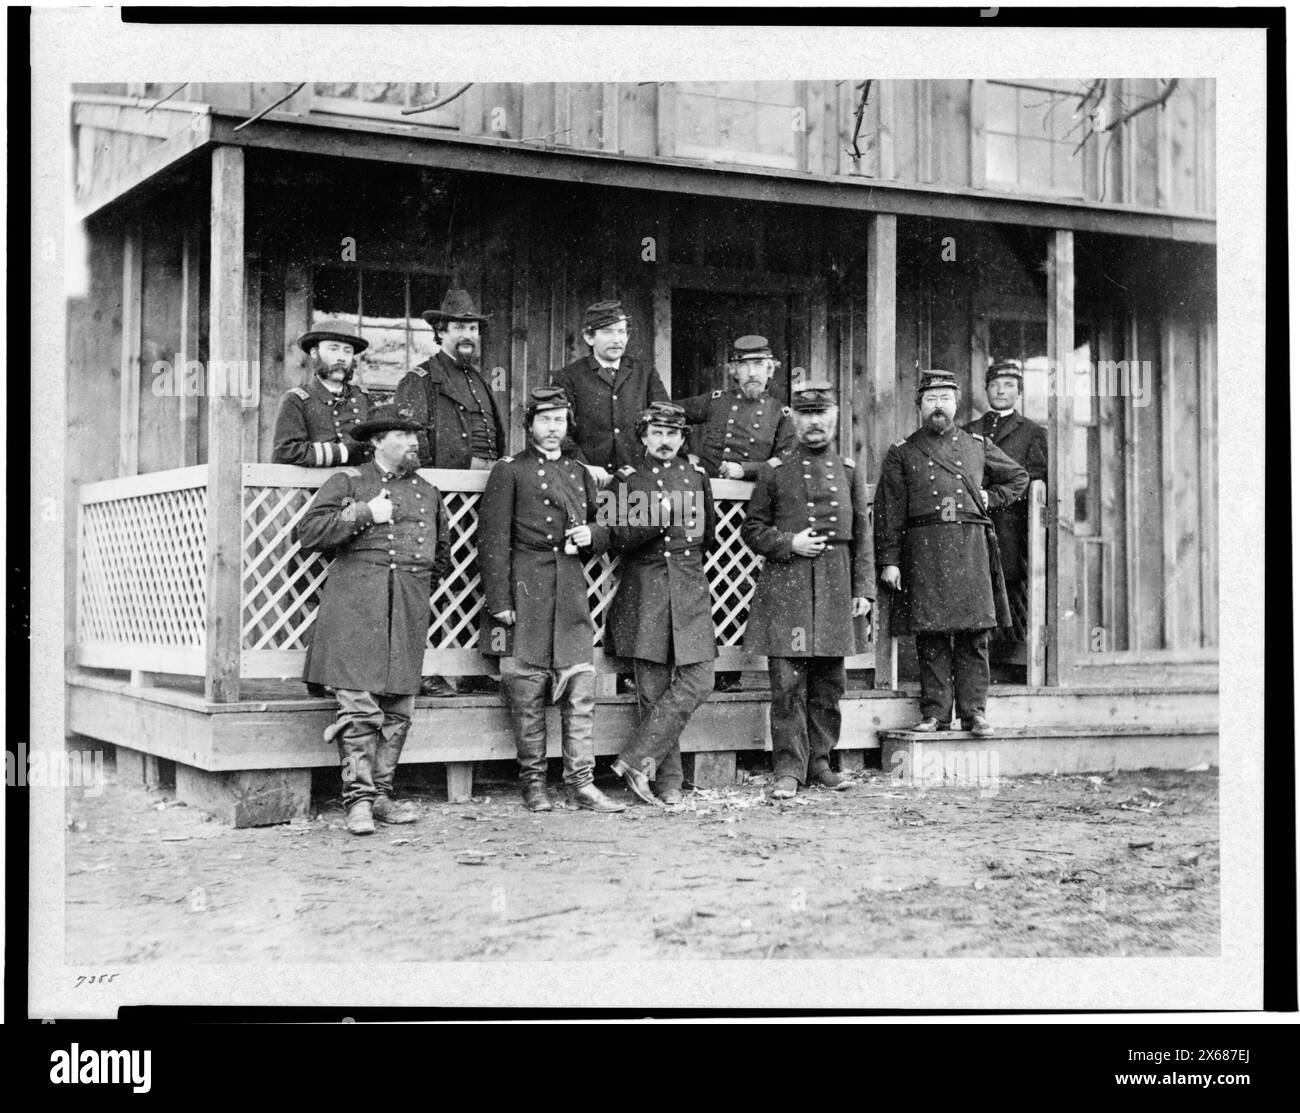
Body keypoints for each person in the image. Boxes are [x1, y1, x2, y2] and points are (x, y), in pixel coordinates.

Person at [295, 405, 451, 835]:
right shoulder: (349, 481)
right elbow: (308, 533)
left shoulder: (428, 490)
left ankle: (381, 795)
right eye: (403, 435)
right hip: (356, 606)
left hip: (407, 605)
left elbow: (441, 554)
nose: (414, 442)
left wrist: (414, 588)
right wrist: (364, 513)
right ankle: (358, 802)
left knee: (399, 706)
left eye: (415, 434)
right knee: (360, 708)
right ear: (378, 441)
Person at [477, 387, 626, 814]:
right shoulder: (510, 471)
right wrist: (500, 600)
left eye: (559, 420)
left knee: (580, 691)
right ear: (529, 426)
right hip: (527, 589)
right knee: (526, 693)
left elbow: (610, 521)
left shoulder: (580, 472)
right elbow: (493, 540)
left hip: (570, 591)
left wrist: (593, 536)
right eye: (545, 420)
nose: (552, 429)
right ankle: (534, 784)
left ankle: (581, 783)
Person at [874, 370, 1029, 738]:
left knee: (975, 634)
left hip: (970, 544)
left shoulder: (976, 445)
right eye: (931, 400)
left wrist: (992, 498)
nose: (938, 406)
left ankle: (974, 713)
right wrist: (890, 561)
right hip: (924, 547)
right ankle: (936, 714)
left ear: (956, 404)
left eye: (945, 399)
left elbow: (1018, 477)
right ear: (920, 407)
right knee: (932, 635)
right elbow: (889, 510)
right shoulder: (903, 452)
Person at [740, 377, 874, 799]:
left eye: (822, 413)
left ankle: (819, 763)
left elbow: (863, 536)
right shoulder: (774, 472)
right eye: (806, 414)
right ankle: (788, 770)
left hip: (835, 586)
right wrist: (788, 543)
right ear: (793, 418)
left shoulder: (849, 471)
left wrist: (863, 589)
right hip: (788, 587)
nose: (814, 422)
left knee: (830, 685)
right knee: (786, 685)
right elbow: (752, 529)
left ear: (834, 416)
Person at [604, 402, 717, 807]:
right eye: (657, 433)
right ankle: (668, 782)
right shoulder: (627, 479)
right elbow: (617, 536)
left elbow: (709, 536)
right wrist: (659, 516)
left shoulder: (696, 476)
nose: (665, 441)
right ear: (643, 436)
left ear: (683, 438)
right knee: (653, 691)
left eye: (673, 434)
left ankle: (634, 760)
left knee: (700, 679)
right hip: (646, 590)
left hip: (688, 589)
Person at [394, 288, 505, 697]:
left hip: (483, 497)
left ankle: (474, 666)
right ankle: (426, 668)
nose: (467, 335)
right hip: (441, 498)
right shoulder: (419, 380)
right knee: (436, 579)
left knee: (478, 578)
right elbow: (410, 446)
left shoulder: (480, 381)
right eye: (458, 326)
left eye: (473, 327)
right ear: (439, 332)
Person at [678, 334, 795, 691]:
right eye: (744, 366)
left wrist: (745, 470)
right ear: (734, 371)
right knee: (701, 584)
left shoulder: (780, 413)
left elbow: (786, 459)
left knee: (738, 585)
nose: (752, 373)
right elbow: (665, 416)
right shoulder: (714, 403)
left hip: (750, 514)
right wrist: (687, 459)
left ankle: (729, 673)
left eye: (759, 365)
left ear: (770, 369)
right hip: (710, 510)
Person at [962, 359, 1049, 672]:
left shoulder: (1033, 433)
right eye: (995, 384)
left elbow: (1036, 476)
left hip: (1012, 526)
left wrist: (999, 494)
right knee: (975, 585)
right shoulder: (969, 430)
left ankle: (1010, 660)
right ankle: (977, 661)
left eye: (1009, 385)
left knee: (1011, 589)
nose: (1001, 390)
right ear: (985, 389)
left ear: (1019, 392)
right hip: (974, 522)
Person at [550, 299, 670, 485]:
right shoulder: (568, 377)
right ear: (589, 337)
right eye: (607, 332)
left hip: (639, 480)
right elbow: (559, 430)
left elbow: (666, 422)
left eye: (622, 332)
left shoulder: (645, 373)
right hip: (585, 480)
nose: (617, 339)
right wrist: (582, 466)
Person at [272, 319, 374, 467]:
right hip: (314, 487)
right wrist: (343, 452)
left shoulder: (362, 398)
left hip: (362, 485)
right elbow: (286, 452)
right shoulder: (297, 400)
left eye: (347, 351)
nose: (341, 357)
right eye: (333, 349)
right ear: (314, 352)